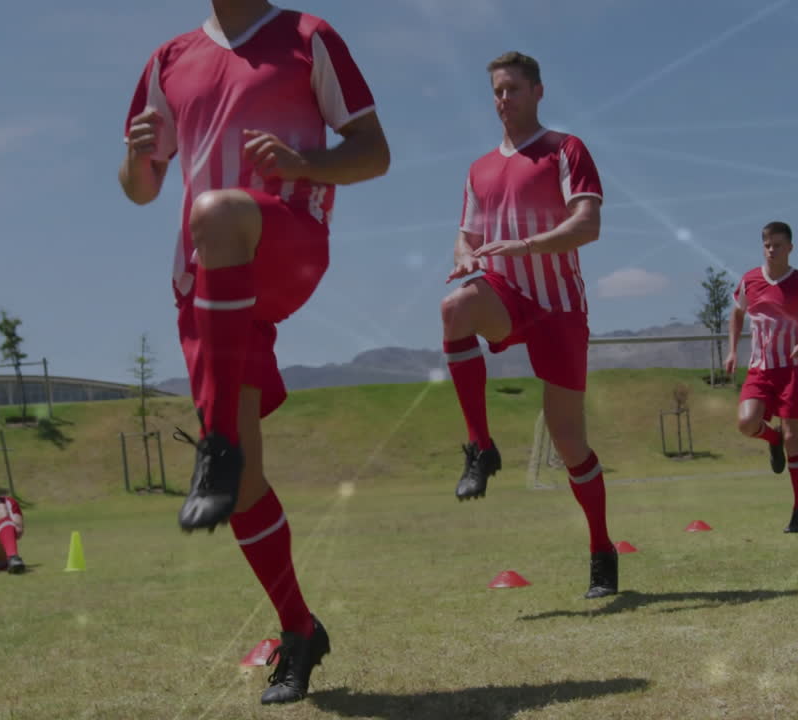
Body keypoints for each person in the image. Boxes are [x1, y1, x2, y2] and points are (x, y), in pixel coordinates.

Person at [118, 0, 389, 704]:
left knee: (217, 210)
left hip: (287, 236)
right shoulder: (169, 60)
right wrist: (135, 157)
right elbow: (141, 189)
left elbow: (374, 152)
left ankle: (216, 442)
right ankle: (299, 629)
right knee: (240, 486)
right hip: (208, 283)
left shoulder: (308, 37)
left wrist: (305, 163)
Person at [439, 51, 617, 599]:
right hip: (505, 293)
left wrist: (527, 245)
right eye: (497, 90)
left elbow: (588, 224)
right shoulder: (479, 169)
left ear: (538, 92)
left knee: (569, 443)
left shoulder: (565, 149)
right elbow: (466, 235)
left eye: (513, 89)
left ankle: (601, 548)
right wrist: (465, 256)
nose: (503, 99)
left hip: (559, 307)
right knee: (454, 308)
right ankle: (481, 447)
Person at [725, 222, 798, 533]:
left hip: (790, 371)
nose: (771, 250)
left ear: (790, 248)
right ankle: (771, 439)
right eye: (767, 245)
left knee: (793, 439)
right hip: (759, 369)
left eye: (777, 245)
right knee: (746, 423)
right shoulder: (749, 280)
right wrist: (732, 351)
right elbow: (737, 314)